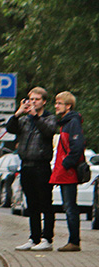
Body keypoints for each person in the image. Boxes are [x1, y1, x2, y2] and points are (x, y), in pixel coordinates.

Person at [7, 86, 57, 251]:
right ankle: (34, 237)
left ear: (43, 101)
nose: (33, 102)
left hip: (41, 165)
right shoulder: (25, 119)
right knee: (32, 205)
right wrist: (18, 113)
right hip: (26, 165)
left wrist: (36, 116)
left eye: (36, 99)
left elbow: (49, 131)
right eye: (31, 99)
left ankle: (47, 238)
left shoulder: (49, 118)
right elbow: (10, 128)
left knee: (45, 204)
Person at [50, 90, 85, 252]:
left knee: (70, 206)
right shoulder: (66, 122)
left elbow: (76, 147)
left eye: (59, 103)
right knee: (68, 206)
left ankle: (74, 241)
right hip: (65, 171)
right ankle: (73, 240)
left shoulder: (72, 123)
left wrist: (65, 164)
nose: (56, 106)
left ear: (68, 106)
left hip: (68, 172)